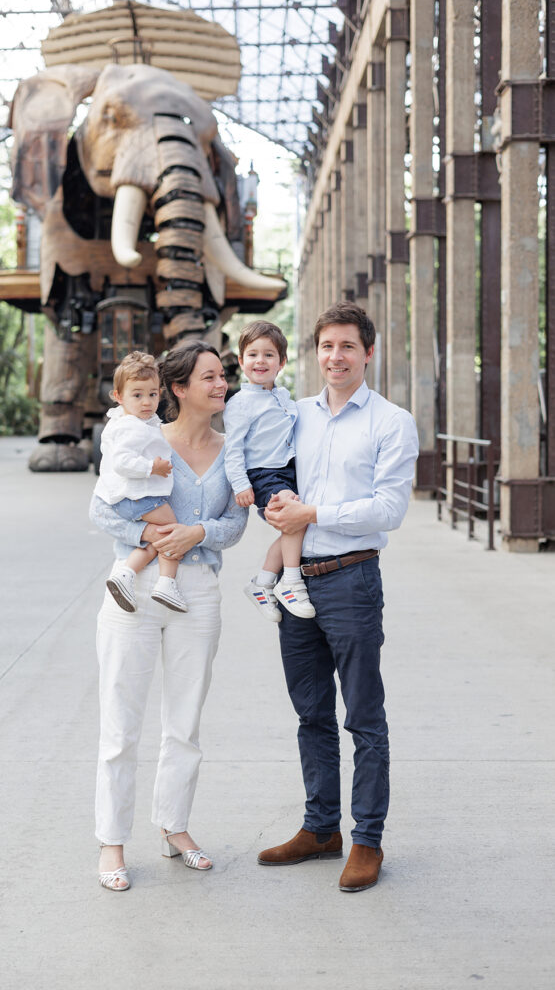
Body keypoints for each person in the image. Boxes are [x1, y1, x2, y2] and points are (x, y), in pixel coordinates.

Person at [258, 302, 419, 893]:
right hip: (295, 582)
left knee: (364, 716)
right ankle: (321, 828)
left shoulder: (391, 422)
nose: (336, 357)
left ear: (367, 353)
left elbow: (389, 509)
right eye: (326, 346)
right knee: (310, 713)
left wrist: (313, 512)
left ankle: (366, 840)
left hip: (352, 580)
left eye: (347, 346)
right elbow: (260, 460)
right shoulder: (294, 414)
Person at [89, 340, 246, 892]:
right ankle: (112, 842)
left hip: (197, 590)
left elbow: (235, 522)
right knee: (121, 723)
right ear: (178, 389)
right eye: (209, 376)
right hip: (136, 584)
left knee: (184, 723)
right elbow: (100, 507)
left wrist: (198, 531)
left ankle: (174, 826)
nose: (221, 383)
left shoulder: (232, 448)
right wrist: (150, 536)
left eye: (222, 375)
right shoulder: (141, 436)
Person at [223, 320, 315, 622]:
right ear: (241, 361)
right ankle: (289, 582)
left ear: (282, 362)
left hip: (288, 471)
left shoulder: (284, 397)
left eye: (268, 355)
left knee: (295, 524)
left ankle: (262, 584)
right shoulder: (239, 404)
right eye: (252, 354)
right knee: (294, 515)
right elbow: (233, 448)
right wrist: (241, 484)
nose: (260, 361)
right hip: (263, 474)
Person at [95, 351, 187, 614]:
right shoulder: (130, 426)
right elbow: (122, 461)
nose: (147, 402)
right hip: (138, 497)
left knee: (155, 540)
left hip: (132, 497)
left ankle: (126, 575)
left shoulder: (134, 421)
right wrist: (152, 467)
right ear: (118, 396)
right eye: (137, 395)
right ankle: (166, 583)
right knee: (172, 530)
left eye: (152, 394)